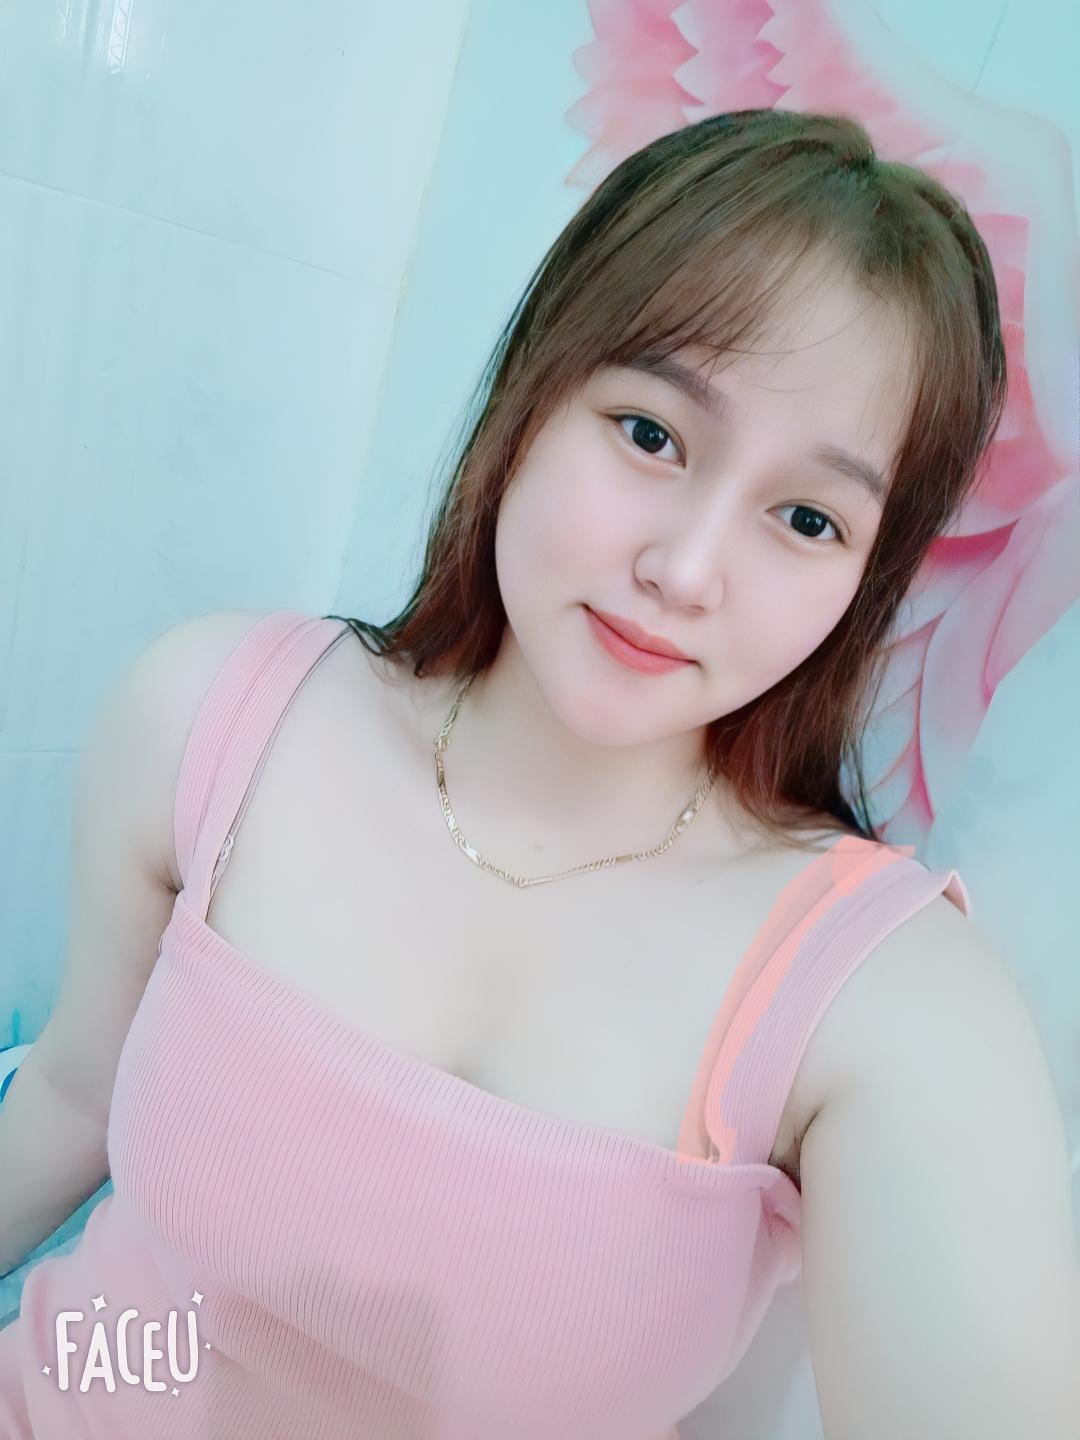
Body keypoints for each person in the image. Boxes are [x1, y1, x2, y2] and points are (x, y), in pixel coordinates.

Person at [2, 108, 1077, 1440]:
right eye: (650, 434)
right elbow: (71, 1094)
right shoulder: (212, 712)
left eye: (807, 517)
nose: (684, 569)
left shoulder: (885, 1002)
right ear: (534, 395)